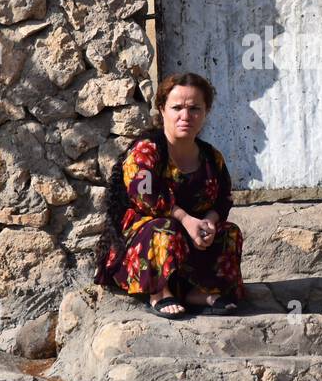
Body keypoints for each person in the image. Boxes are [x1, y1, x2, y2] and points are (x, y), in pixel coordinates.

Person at [94, 72, 244, 318]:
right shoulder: (146, 150)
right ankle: (159, 291)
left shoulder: (211, 157)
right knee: (164, 228)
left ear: (206, 111)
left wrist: (209, 222)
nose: (186, 116)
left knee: (229, 233)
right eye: (177, 108)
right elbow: (145, 195)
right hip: (147, 236)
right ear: (162, 109)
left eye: (195, 108)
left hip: (193, 235)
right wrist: (185, 219)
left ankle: (196, 291)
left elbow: (223, 199)